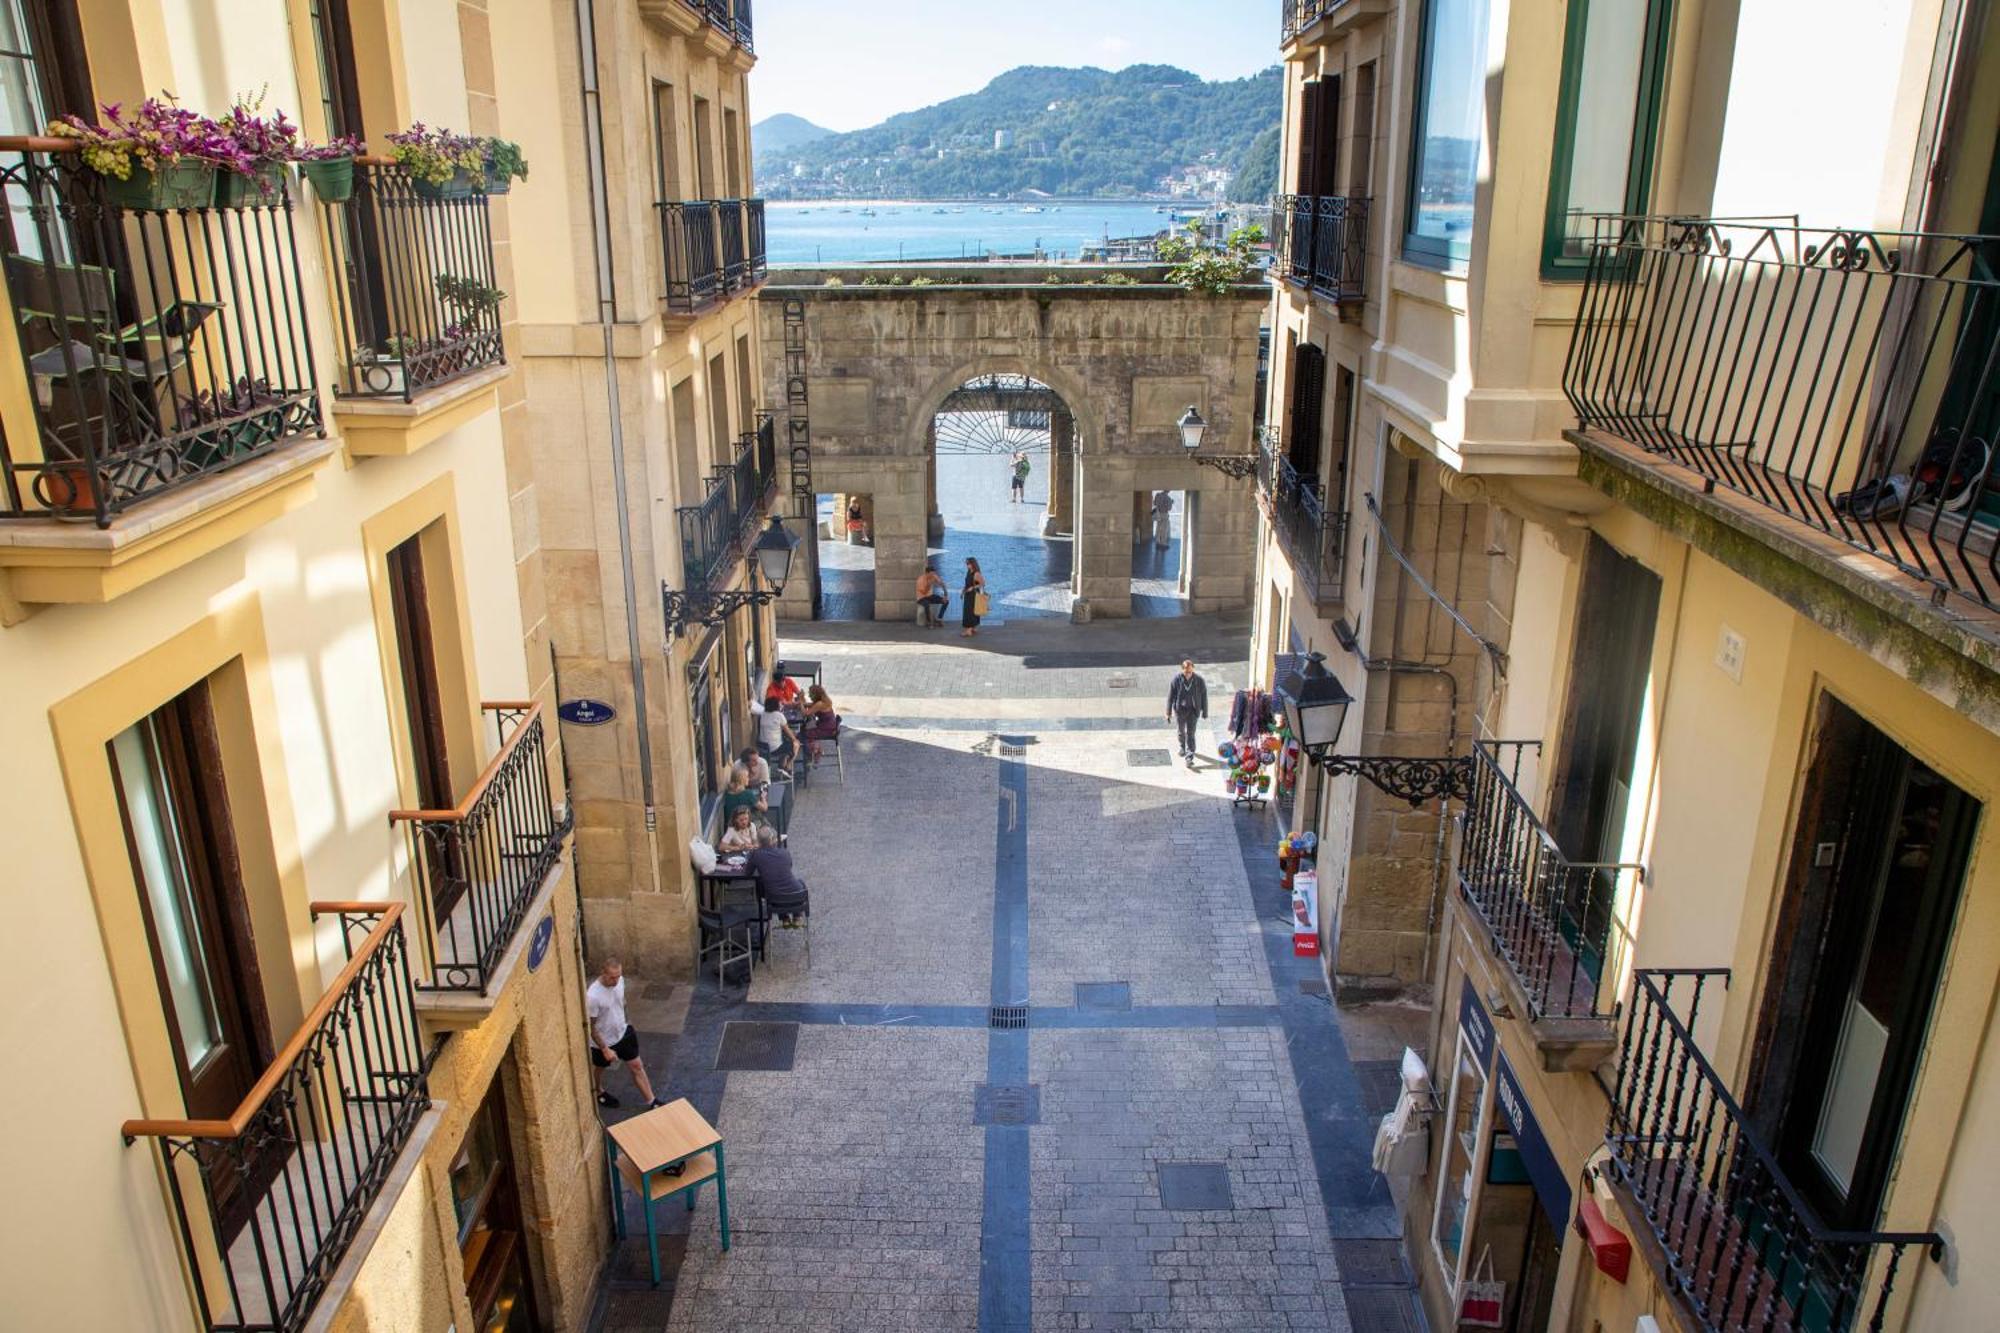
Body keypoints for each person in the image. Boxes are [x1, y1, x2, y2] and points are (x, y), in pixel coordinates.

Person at [586, 958, 666, 1109]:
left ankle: (652, 1101)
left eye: (618, 976)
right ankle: (598, 1090)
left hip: (623, 1033)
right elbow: (590, 1026)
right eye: (612, 977)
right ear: (603, 973)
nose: (616, 981)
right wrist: (605, 1049)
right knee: (599, 1068)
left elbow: (622, 1002)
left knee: (637, 1065)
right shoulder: (592, 996)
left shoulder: (620, 981)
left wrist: (627, 1022)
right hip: (604, 1042)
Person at [748, 824, 810, 925]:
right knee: (798, 883)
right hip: (797, 898)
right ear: (773, 840)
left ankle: (784, 918)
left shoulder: (756, 855)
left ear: (759, 842)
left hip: (774, 901)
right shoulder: (785, 852)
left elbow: (748, 873)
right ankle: (797, 916)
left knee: (765, 885)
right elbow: (788, 867)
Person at [1166, 658, 1209, 764]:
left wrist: (1205, 711)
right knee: (1181, 731)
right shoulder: (1176, 680)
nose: (1188, 674)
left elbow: (1204, 696)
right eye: (1186, 672)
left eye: (1190, 672)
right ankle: (1182, 747)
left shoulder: (1199, 680)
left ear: (1193, 669)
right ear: (1182, 670)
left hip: (1193, 711)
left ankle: (1189, 756)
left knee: (1191, 733)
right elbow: (1170, 697)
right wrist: (1168, 713)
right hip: (1180, 711)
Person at [755, 697, 798, 773]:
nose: (781, 705)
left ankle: (782, 765)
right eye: (780, 703)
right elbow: (788, 732)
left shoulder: (763, 714)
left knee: (785, 743)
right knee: (795, 744)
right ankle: (788, 766)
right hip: (775, 748)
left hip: (763, 747)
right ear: (776, 705)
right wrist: (795, 738)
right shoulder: (779, 715)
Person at [961, 556, 986, 638]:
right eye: (966, 563)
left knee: (969, 612)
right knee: (972, 611)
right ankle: (973, 628)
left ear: (973, 564)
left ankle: (968, 631)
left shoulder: (976, 573)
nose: (967, 565)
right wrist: (963, 591)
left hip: (973, 595)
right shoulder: (968, 572)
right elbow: (967, 583)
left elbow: (983, 583)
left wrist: (973, 587)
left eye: (968, 563)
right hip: (968, 594)